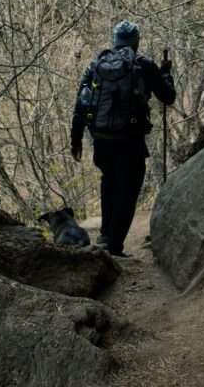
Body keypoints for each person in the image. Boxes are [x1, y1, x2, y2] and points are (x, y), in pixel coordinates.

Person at [70, 20, 176, 257]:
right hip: (131, 140)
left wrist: (75, 140)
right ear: (136, 42)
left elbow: (81, 104)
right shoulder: (145, 66)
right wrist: (166, 73)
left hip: (102, 139)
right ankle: (113, 246)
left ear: (115, 41)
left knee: (109, 185)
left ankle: (106, 239)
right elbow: (168, 97)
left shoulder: (96, 65)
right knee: (128, 192)